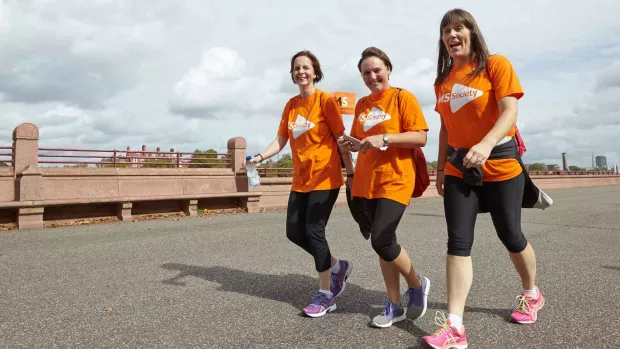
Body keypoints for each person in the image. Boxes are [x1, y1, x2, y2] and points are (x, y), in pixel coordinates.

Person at [422, 9, 545, 349]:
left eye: (458, 28)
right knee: (457, 242)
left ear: (472, 32)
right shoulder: (442, 81)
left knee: (511, 234)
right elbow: (446, 125)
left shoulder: (495, 65)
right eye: (446, 30)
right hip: (462, 169)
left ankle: (531, 293)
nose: (452, 35)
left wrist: (487, 143)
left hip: (501, 164)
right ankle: (455, 326)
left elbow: (510, 110)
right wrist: (442, 168)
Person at [246, 50, 355, 318]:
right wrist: (259, 157)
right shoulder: (291, 105)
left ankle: (327, 293)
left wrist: (350, 172)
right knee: (295, 232)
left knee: (314, 231)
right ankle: (336, 266)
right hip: (301, 180)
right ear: (292, 74)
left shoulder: (326, 101)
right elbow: (281, 139)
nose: (301, 72)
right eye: (296, 68)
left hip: (325, 178)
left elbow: (341, 138)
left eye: (306, 67)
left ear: (315, 72)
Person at [338, 47, 431, 328]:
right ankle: (393, 305)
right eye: (366, 72)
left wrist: (386, 138)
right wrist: (350, 145)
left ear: (388, 69)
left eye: (377, 70)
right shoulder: (363, 105)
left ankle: (416, 283)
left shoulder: (403, 97)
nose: (372, 76)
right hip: (367, 182)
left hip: (396, 179)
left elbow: (420, 137)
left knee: (381, 239)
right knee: (383, 245)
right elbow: (362, 140)